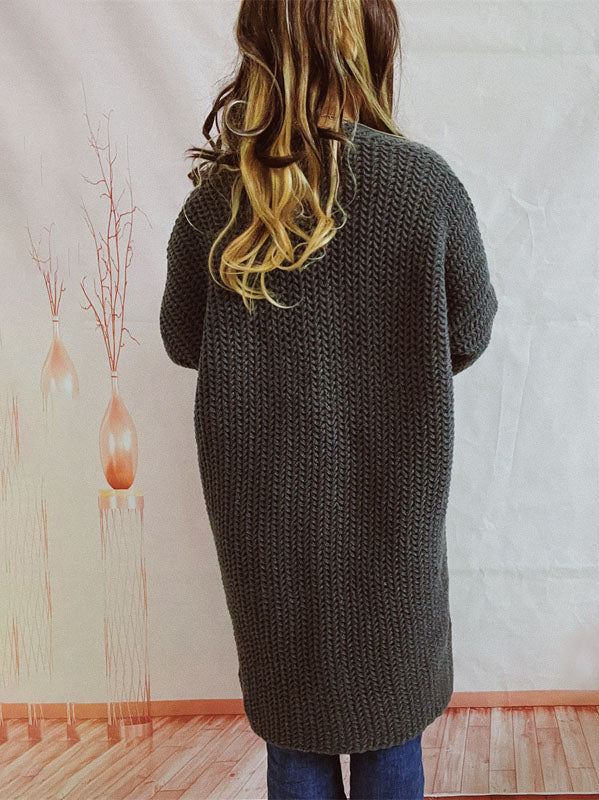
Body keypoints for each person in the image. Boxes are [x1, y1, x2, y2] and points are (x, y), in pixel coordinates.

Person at [159, 0, 498, 797]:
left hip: (268, 540)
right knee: (391, 731)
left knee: (295, 738)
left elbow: (182, 340)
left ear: (258, 48)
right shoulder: (425, 188)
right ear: (370, 43)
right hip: (392, 533)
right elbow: (470, 331)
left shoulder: (217, 205)